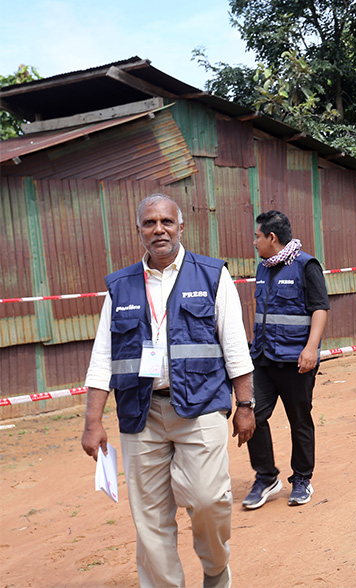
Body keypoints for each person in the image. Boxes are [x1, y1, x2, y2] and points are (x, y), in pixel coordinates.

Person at [80, 193, 255, 588]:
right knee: (150, 518)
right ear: (139, 230)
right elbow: (102, 358)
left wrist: (245, 405)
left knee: (209, 499)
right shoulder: (121, 286)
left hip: (202, 405)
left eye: (166, 222)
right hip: (141, 414)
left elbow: (235, 345)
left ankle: (215, 570)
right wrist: (93, 421)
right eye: (149, 223)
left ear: (180, 226)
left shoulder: (211, 274)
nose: (158, 229)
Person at [242, 211, 329, 509]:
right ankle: (266, 476)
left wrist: (310, 348)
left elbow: (320, 308)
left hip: (296, 361)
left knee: (299, 421)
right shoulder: (264, 268)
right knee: (252, 415)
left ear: (272, 238)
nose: (254, 242)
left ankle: (302, 478)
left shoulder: (306, 265)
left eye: (257, 236)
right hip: (264, 358)